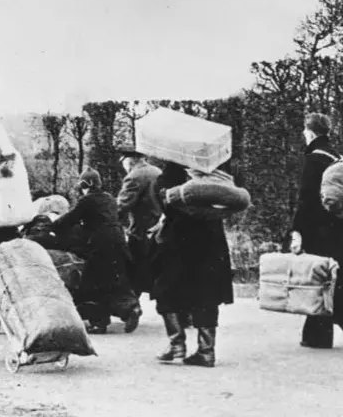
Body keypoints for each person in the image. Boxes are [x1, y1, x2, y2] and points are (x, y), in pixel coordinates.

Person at [289, 113, 343, 350]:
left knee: (319, 279)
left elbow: (305, 200)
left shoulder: (313, 159)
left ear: (310, 132)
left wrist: (297, 231)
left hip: (317, 229)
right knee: (341, 276)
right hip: (339, 227)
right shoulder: (339, 158)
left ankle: (318, 336)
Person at [150, 162, 234, 368]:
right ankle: (206, 351)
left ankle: (177, 346)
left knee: (166, 289)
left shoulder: (171, 174)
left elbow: (164, 202)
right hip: (212, 240)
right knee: (207, 292)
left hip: (179, 239)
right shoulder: (214, 172)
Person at [52, 168, 141, 334]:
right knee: (116, 281)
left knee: (91, 284)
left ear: (87, 184)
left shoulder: (87, 200)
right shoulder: (109, 198)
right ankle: (131, 308)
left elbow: (70, 219)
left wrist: (53, 225)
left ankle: (98, 323)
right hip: (119, 242)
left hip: (100, 245)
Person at [117, 148, 162, 297]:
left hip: (141, 232)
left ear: (129, 160)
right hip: (161, 229)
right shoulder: (157, 171)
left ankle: (131, 309)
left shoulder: (134, 177)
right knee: (159, 273)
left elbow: (121, 206)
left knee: (133, 273)